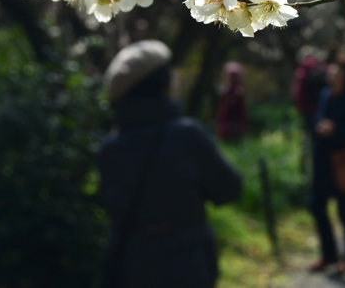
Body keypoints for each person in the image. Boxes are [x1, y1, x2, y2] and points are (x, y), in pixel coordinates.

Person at [98, 40, 243, 288]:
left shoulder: (110, 147)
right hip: (186, 266)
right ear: (162, 84)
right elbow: (229, 189)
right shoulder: (186, 135)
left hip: (132, 266)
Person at [308, 61, 345, 275]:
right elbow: (317, 119)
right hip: (321, 161)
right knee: (316, 205)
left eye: (337, 70)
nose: (331, 72)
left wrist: (336, 130)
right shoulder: (325, 95)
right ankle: (329, 253)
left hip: (342, 165)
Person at [215, 61, 247, 142]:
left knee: (235, 134)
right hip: (226, 115)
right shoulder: (226, 89)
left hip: (236, 115)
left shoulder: (239, 90)